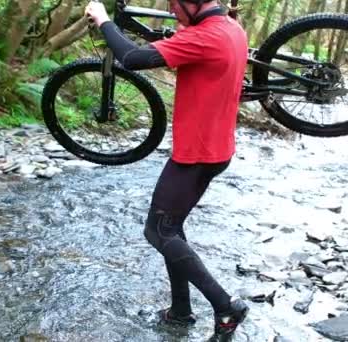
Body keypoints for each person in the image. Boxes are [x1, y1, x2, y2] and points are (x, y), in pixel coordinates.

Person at [85, 0, 249, 339]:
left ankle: (225, 307)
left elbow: (132, 59)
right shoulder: (231, 29)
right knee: (171, 227)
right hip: (217, 149)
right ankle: (180, 311)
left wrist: (103, 20)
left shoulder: (205, 37)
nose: (172, 9)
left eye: (175, 3)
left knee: (157, 232)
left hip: (196, 154)